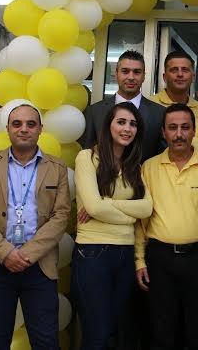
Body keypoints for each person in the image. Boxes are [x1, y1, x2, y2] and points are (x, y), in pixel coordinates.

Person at [0, 103, 71, 349]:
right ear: (7, 129)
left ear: (40, 129)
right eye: (17, 124)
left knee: (46, 342)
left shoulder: (57, 167)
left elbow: (61, 215)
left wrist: (27, 254)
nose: (24, 129)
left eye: (30, 124)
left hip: (39, 265)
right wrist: (6, 253)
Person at [134, 104, 198, 349]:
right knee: (162, 333)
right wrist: (139, 261)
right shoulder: (149, 167)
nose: (179, 134)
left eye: (185, 127)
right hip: (159, 259)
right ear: (163, 132)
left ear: (194, 130)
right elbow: (141, 221)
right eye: (172, 128)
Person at [72, 102, 153, 350]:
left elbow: (147, 208)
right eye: (121, 122)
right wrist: (129, 214)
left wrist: (108, 202)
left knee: (115, 332)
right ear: (108, 125)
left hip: (125, 253)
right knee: (97, 333)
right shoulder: (87, 157)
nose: (127, 128)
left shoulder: (134, 167)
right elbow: (94, 208)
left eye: (133, 124)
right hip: (93, 252)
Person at [81, 49, 166, 160]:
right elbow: (88, 153)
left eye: (136, 72)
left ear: (144, 76)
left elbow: (162, 156)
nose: (131, 77)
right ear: (116, 74)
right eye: (125, 71)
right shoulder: (94, 112)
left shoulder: (160, 113)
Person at [150, 50, 198, 123]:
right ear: (165, 77)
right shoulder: (148, 105)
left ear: (193, 77)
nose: (180, 74)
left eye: (185, 70)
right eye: (174, 70)